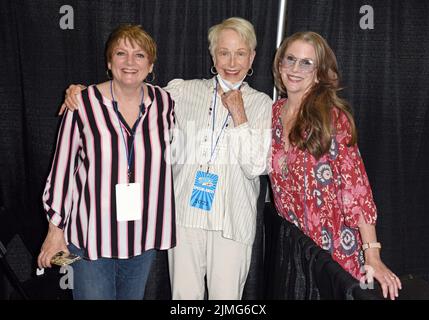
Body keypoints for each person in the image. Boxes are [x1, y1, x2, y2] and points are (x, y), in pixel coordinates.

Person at [61, 17, 272, 300]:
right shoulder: (182, 92)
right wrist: (81, 93)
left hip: (232, 221)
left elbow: (256, 166)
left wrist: (239, 115)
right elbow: (130, 89)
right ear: (213, 55)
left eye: (240, 53)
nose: (232, 62)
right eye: (224, 52)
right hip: (185, 216)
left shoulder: (262, 103)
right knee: (184, 299)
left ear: (252, 57)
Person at [37, 24, 176, 300]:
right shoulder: (83, 103)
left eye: (139, 55)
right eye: (121, 53)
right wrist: (55, 230)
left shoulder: (165, 103)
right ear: (109, 62)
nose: (129, 62)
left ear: (150, 65)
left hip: (142, 233)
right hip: (92, 235)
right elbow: (62, 169)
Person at [269, 31, 402, 300]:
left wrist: (372, 255)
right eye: (290, 59)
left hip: (336, 254)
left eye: (307, 63)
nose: (295, 69)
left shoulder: (331, 117)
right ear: (279, 64)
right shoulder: (273, 113)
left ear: (319, 73)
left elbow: (357, 191)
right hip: (299, 252)